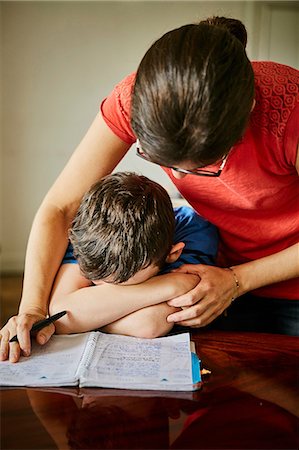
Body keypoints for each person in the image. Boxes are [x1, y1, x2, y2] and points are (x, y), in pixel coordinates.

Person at [1, 16, 298, 362]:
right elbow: (61, 207)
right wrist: (34, 307)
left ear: (247, 112)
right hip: (213, 272)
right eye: (166, 162)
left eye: (202, 167)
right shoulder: (139, 96)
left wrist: (237, 281)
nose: (180, 180)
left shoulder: (290, 112)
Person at [48, 171, 218, 337]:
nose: (102, 286)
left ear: (172, 254)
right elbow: (62, 316)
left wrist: (89, 318)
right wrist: (172, 285)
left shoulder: (194, 230)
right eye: (99, 280)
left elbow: (150, 323)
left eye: (120, 284)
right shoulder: (91, 232)